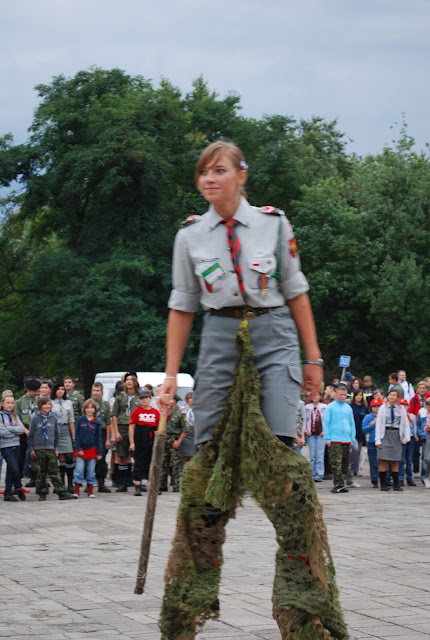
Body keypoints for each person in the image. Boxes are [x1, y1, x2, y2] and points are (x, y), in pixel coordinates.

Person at [156, 141, 338, 640]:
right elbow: (182, 305)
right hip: (218, 337)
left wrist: (313, 359)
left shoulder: (274, 224)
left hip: (273, 333)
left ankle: (301, 604)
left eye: (219, 170)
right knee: (209, 461)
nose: (209, 179)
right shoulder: (189, 235)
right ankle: (190, 597)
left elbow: (296, 290)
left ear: (241, 174)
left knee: (281, 458)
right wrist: (170, 375)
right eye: (203, 172)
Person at [27, 397, 73, 501]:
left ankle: (61, 491)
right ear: (40, 406)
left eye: (49, 404)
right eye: (45, 404)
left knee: (54, 470)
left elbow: (57, 434)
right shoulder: (35, 418)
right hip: (38, 448)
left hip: (50, 448)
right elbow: (31, 435)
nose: (47, 406)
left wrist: (56, 447)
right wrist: (31, 448)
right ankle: (42, 492)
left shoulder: (53, 418)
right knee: (41, 471)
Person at [375, 389, 410, 491]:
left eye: (394, 395)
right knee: (383, 460)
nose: (392, 397)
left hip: (395, 434)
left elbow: (405, 424)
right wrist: (378, 440)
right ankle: (383, 484)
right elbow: (379, 424)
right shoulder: (383, 408)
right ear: (387, 397)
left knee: (395, 461)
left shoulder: (401, 409)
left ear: (397, 398)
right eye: (390, 395)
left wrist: (406, 436)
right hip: (385, 434)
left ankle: (396, 484)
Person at [324, 384, 356, 493]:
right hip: (335, 439)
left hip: (346, 439)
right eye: (341, 395)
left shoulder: (348, 408)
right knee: (336, 463)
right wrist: (327, 438)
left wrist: (352, 438)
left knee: (345, 463)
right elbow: (326, 423)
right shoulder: (330, 407)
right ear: (336, 395)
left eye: (345, 395)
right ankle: (338, 484)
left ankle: (342, 483)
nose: (343, 397)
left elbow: (352, 423)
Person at [112, 374, 140, 492]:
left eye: (131, 380)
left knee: (136, 456)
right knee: (122, 456)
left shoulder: (139, 397)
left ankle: (136, 481)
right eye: (127, 380)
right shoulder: (120, 397)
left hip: (136, 427)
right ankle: (122, 483)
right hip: (122, 426)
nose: (129, 382)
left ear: (135, 382)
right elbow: (114, 415)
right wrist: (116, 432)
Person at [129, 391, 160, 495]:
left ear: (150, 399)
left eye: (146, 398)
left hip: (151, 440)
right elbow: (131, 427)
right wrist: (132, 443)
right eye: (142, 398)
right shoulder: (136, 411)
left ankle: (151, 486)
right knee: (138, 463)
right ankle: (137, 486)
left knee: (151, 463)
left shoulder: (155, 412)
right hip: (140, 438)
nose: (144, 400)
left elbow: (159, 428)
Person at [72, 399, 103, 498]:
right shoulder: (80, 420)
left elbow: (99, 438)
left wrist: (99, 452)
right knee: (79, 469)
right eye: (87, 408)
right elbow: (77, 435)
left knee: (91, 470)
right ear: (84, 409)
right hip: (81, 450)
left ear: (95, 410)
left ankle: (90, 490)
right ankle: (76, 490)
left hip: (92, 449)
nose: (89, 410)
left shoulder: (97, 422)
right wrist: (78, 448)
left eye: (92, 408)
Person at [159, 394, 188, 493]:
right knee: (163, 462)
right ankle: (162, 484)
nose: (169, 402)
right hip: (165, 439)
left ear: (175, 401)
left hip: (174, 439)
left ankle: (175, 484)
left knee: (175, 463)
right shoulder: (165, 411)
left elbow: (185, 429)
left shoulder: (180, 413)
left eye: (170, 400)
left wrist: (178, 441)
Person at [0, 392, 25, 502]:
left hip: (16, 445)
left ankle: (8, 493)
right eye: (8, 403)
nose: (10, 405)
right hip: (6, 446)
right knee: (15, 468)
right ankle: (18, 487)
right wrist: (14, 430)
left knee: (11, 470)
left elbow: (21, 429)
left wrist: (9, 428)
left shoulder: (15, 416)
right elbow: (2, 432)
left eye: (12, 403)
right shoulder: (1, 416)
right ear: (2, 404)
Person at [15, 378, 40, 486]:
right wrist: (26, 431)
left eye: (38, 391)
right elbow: (16, 419)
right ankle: (17, 482)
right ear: (28, 390)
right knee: (21, 456)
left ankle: (34, 478)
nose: (37, 393)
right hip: (23, 431)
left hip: (37, 431)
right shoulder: (19, 402)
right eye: (35, 391)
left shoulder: (40, 401)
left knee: (36, 456)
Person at [50, 382, 75, 492]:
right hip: (54, 429)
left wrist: (73, 435)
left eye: (62, 389)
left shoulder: (68, 402)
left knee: (69, 455)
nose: (61, 391)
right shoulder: (50, 402)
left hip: (65, 429)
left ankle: (70, 483)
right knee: (57, 457)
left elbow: (71, 419)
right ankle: (60, 484)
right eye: (59, 389)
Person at [90, 382, 112, 493]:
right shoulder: (88, 404)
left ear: (102, 392)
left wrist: (108, 439)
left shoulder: (106, 405)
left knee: (101, 457)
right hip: (90, 431)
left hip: (102, 432)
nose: (96, 393)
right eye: (94, 390)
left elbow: (108, 423)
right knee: (90, 457)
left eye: (98, 391)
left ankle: (101, 483)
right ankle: (90, 482)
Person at [304, 392, 326, 480]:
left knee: (320, 456)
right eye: (313, 395)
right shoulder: (307, 407)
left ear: (320, 396)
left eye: (317, 395)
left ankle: (319, 474)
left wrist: (325, 431)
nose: (315, 397)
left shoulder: (324, 407)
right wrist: (306, 430)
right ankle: (312, 474)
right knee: (312, 456)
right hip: (311, 434)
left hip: (321, 434)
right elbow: (304, 419)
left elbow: (327, 420)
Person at [362, 398, 382, 488]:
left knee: (382, 462)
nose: (376, 409)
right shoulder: (368, 417)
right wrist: (372, 424)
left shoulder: (384, 416)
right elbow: (364, 429)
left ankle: (384, 479)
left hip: (382, 441)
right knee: (373, 462)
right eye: (374, 407)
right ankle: (374, 480)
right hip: (371, 441)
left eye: (378, 406)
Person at [349, 389, 369, 478]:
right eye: (357, 395)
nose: (358, 397)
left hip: (361, 432)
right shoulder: (350, 407)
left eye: (360, 395)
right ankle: (350, 468)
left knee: (358, 452)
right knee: (354, 449)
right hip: (352, 432)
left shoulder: (365, 408)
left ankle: (355, 470)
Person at [415, 397, 430, 484]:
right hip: (425, 437)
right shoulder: (422, 411)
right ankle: (424, 476)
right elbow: (419, 424)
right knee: (426, 458)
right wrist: (421, 433)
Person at [181, 391, 197, 463]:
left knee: (194, 454)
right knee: (185, 455)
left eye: (192, 398)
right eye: (189, 398)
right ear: (186, 399)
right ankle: (184, 468)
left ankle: (192, 469)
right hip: (185, 433)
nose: (191, 400)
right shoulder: (182, 409)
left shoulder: (197, 410)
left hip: (194, 433)